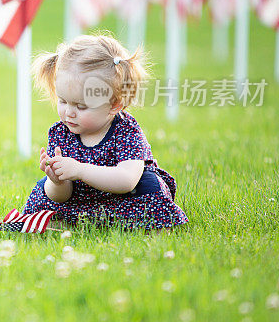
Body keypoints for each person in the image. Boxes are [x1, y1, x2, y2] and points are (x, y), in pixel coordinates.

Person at [22, 34, 188, 230]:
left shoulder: (126, 131)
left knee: (150, 186)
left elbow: (127, 180)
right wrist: (57, 181)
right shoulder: (61, 133)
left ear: (114, 105)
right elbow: (62, 195)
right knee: (43, 188)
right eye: (63, 101)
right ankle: (63, 222)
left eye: (81, 106)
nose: (69, 112)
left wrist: (80, 170)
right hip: (80, 201)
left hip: (123, 199)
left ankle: (141, 223)